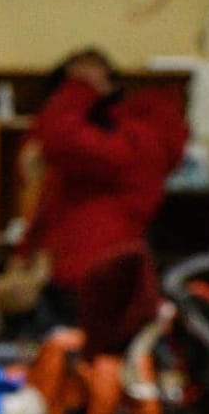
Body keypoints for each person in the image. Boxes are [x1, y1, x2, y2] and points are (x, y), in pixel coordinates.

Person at [17, 48, 188, 337]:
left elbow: (62, 140)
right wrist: (25, 254)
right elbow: (51, 195)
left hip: (95, 280)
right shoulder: (105, 139)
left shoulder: (137, 140)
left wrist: (78, 89)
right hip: (82, 278)